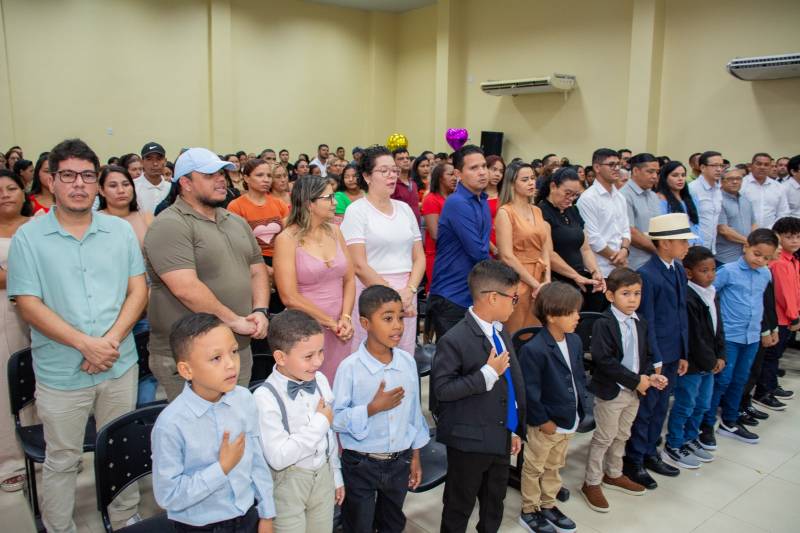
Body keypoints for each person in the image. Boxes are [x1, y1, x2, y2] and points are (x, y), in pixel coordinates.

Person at [7, 138, 147, 531]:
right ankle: (59, 526)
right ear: (51, 181)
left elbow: (138, 291)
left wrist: (110, 342)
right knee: (63, 458)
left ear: (97, 182)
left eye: (87, 175)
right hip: (61, 370)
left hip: (118, 363)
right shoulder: (29, 238)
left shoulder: (119, 232)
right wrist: (86, 344)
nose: (79, 184)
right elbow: (28, 304)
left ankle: (124, 516)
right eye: (68, 175)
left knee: (120, 449)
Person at [143, 147, 269, 401]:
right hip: (190, 356)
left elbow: (257, 270)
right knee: (196, 425)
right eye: (210, 175)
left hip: (236, 348)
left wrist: (260, 310)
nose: (221, 179)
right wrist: (233, 321)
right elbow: (185, 287)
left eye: (221, 173)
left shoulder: (235, 221)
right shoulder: (170, 224)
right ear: (186, 183)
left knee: (235, 418)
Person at [151, 313, 275, 533]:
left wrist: (267, 512)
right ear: (186, 370)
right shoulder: (171, 424)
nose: (231, 364)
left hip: (247, 514)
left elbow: (257, 459)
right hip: (200, 525)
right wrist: (221, 468)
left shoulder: (243, 399)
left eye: (234, 352)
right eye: (216, 358)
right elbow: (168, 496)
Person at [433, 260, 525, 533]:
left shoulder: (501, 331)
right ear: (493, 297)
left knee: (494, 502)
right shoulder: (455, 339)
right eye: (514, 298)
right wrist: (487, 373)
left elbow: (511, 384)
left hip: (500, 434)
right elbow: (442, 390)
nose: (515, 304)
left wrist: (513, 427)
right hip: (468, 442)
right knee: (459, 505)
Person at [332, 285, 430, 533]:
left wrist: (415, 456)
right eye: (387, 318)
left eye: (400, 317)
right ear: (365, 323)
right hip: (360, 464)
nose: (397, 326)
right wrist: (371, 409)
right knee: (359, 525)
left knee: (392, 523)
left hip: (399, 461)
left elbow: (414, 414)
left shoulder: (407, 362)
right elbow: (336, 419)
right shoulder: (350, 368)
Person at [581, 268, 667, 513]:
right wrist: (635, 381)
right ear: (610, 296)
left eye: (637, 293)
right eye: (626, 293)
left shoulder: (641, 322)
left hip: (634, 391)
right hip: (612, 391)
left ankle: (614, 473)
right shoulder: (603, 323)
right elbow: (604, 360)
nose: (632, 299)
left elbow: (645, 356)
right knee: (604, 438)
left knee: (622, 434)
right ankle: (591, 482)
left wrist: (650, 376)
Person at [253, 310, 343, 533]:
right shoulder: (264, 398)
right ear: (281, 357)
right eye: (308, 356)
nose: (318, 362)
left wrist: (336, 474)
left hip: (323, 475)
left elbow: (329, 436)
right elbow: (278, 458)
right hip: (288, 484)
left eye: (321, 352)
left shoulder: (320, 380)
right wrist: (320, 423)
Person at [624, 213, 694, 487]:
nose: (687, 246)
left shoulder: (678, 270)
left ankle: (651, 451)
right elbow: (648, 321)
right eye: (682, 241)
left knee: (661, 406)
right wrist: (655, 358)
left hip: (674, 350)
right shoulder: (647, 274)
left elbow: (681, 313)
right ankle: (634, 459)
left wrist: (683, 351)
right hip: (657, 355)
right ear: (665, 243)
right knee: (647, 408)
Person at [340, 145, 424, 356]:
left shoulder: (404, 209)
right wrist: (394, 297)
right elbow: (358, 264)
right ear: (367, 176)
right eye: (384, 171)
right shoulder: (357, 211)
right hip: (373, 292)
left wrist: (410, 291)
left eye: (394, 170)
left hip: (407, 292)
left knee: (403, 353)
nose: (392, 175)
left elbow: (419, 257)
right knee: (372, 355)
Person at [518, 282, 587, 533]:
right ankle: (529, 510)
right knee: (534, 467)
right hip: (545, 423)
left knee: (555, 466)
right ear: (551, 316)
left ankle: (548, 504)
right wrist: (542, 420)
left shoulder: (575, 341)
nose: (578, 317)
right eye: (571, 312)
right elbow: (530, 392)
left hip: (568, 419)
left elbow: (578, 377)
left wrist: (579, 409)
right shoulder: (533, 349)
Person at [700, 228, 777, 447]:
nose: (760, 260)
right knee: (722, 380)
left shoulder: (765, 273)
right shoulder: (728, 271)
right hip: (729, 337)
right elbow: (707, 296)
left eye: (766, 258)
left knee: (740, 379)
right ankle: (706, 424)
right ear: (746, 247)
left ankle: (730, 420)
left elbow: (763, 303)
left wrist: (766, 330)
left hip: (751, 337)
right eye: (757, 254)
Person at [274, 175, 355, 382]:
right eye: (329, 198)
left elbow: (349, 279)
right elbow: (289, 296)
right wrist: (330, 323)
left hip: (341, 328)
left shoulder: (335, 232)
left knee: (341, 383)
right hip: (306, 329)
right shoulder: (287, 239)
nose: (335, 202)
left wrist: (346, 317)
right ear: (309, 203)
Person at [663, 245, 725, 470]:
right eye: (704, 270)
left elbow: (718, 328)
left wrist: (721, 354)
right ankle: (674, 444)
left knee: (703, 404)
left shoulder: (712, 292)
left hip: (709, 363)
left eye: (713, 270)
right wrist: (710, 361)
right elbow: (695, 337)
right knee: (685, 404)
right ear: (689, 272)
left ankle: (690, 438)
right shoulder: (688, 297)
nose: (710, 275)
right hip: (693, 365)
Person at [428, 145, 490, 337]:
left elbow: (483, 244)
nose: (482, 172)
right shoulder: (457, 202)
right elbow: (478, 252)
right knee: (453, 354)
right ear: (458, 174)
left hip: (470, 292)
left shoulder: (482, 200)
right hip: (452, 294)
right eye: (474, 168)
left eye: (484, 166)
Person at [537, 167, 606, 311]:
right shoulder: (541, 211)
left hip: (579, 276)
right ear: (553, 186)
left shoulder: (573, 210)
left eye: (575, 195)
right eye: (567, 193)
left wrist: (595, 272)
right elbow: (549, 254)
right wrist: (575, 276)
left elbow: (585, 249)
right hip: (558, 279)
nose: (570, 199)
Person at [0, 170, 30, 494]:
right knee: (5, 386)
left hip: (42, 310)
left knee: (41, 381)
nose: (5, 194)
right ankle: (10, 460)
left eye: (11, 188)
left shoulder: (38, 225)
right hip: (3, 313)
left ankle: (47, 446)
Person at [495, 162, 551, 332]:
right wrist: (534, 284)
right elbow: (506, 255)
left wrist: (546, 280)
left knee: (538, 329)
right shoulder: (505, 212)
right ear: (512, 184)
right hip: (518, 277)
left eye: (533, 178)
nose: (531, 183)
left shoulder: (537, 210)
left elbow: (545, 248)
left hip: (540, 275)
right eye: (525, 179)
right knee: (516, 330)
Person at [753, 217, 800, 406]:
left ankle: (771, 385)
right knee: (771, 356)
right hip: (780, 318)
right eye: (789, 237)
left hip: (787, 317)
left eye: (798, 237)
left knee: (775, 356)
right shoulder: (779, 263)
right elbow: (784, 294)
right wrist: (794, 317)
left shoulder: (792, 260)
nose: (795, 241)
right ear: (778, 238)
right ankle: (763, 392)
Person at [576, 148, 631, 279]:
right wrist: (617, 258)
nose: (616, 168)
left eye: (618, 164)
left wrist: (624, 250)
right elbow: (593, 238)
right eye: (611, 165)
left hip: (620, 266)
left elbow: (625, 229)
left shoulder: (620, 197)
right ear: (597, 167)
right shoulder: (588, 198)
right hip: (600, 269)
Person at [226, 158, 290, 267]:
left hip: (281, 258)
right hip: (253, 263)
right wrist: (264, 268)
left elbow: (289, 236)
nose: (266, 180)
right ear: (246, 178)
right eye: (260, 175)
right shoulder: (236, 206)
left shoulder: (279, 204)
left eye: (269, 176)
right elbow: (237, 245)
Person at [620, 153, 662, 270]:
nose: (655, 176)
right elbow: (630, 232)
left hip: (657, 260)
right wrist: (658, 251)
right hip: (636, 263)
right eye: (650, 172)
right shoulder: (624, 195)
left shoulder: (653, 196)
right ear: (635, 171)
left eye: (657, 172)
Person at [421, 162, 456, 291]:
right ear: (440, 177)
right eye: (450, 174)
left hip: (454, 254)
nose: (455, 178)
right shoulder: (431, 199)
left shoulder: (454, 198)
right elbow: (435, 234)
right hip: (438, 256)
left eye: (455, 174)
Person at [98, 165, 152, 247]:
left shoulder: (147, 218)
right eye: (113, 186)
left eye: (126, 184)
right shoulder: (93, 221)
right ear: (102, 190)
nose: (121, 190)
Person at [716, 167, 757, 265]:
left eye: (738, 179)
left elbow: (753, 224)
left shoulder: (746, 199)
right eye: (730, 179)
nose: (735, 182)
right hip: (726, 256)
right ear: (721, 181)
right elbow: (724, 230)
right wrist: (749, 242)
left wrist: (753, 241)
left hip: (747, 256)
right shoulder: (718, 200)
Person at [688, 151, 724, 252]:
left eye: (721, 166)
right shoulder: (692, 189)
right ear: (703, 168)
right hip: (693, 247)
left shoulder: (718, 189)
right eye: (714, 165)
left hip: (711, 247)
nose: (719, 169)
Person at [742, 152, 790, 229]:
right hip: (744, 231)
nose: (762, 167)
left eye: (766, 165)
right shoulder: (741, 185)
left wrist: (771, 229)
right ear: (751, 166)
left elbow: (783, 213)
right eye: (759, 164)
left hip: (771, 231)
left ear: (770, 167)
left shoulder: (778, 187)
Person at [134, 142, 171, 214]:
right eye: (149, 159)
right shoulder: (133, 187)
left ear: (165, 161)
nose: (155, 163)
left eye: (159, 159)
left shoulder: (171, 188)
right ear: (142, 162)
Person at [389, 147, 421, 223]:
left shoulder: (413, 184)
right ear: (393, 162)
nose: (406, 160)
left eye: (407, 158)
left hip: (416, 226)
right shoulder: (392, 184)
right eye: (401, 159)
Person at [485, 155, 505, 255]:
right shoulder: (476, 195)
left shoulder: (505, 196)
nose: (498, 174)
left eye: (501, 171)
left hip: (504, 245)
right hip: (484, 246)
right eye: (494, 169)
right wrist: (494, 250)